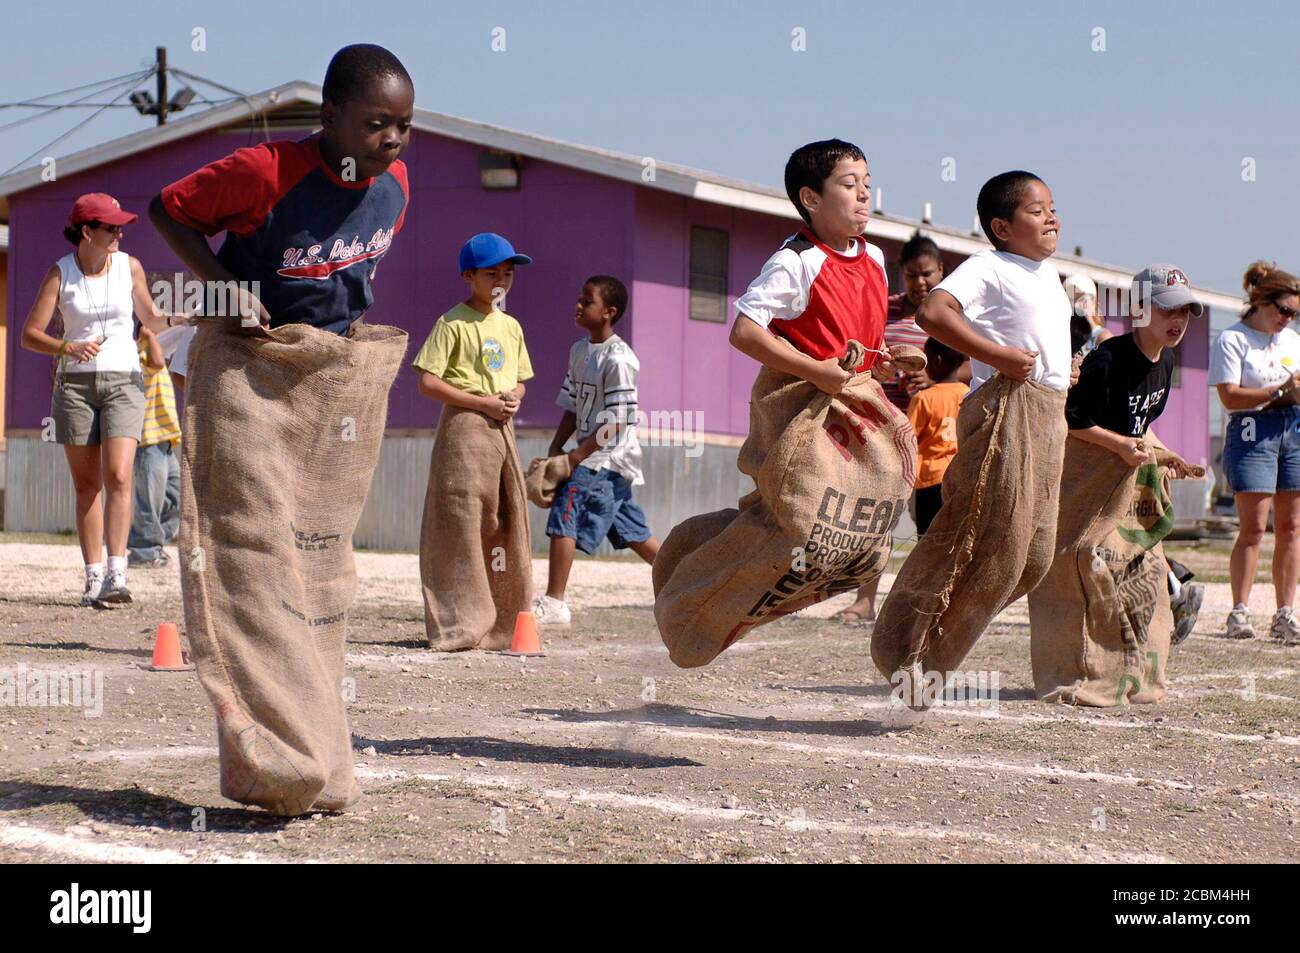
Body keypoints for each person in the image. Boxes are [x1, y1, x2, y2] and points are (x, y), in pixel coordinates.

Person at [150, 43, 414, 815]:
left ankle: (314, 739)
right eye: (373, 124)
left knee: (319, 569)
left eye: (403, 125)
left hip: (325, 385)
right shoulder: (266, 171)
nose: (391, 140)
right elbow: (171, 207)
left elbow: (351, 275)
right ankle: (274, 750)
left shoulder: (396, 184)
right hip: (248, 373)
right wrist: (226, 288)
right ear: (329, 118)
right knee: (256, 556)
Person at [871, 170, 1074, 698]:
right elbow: (933, 313)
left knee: (1032, 560)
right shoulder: (990, 266)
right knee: (993, 544)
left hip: (1051, 413)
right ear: (1002, 227)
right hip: (1009, 411)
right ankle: (908, 652)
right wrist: (998, 357)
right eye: (1037, 210)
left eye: (1053, 207)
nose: (1052, 217)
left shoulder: (1049, 275)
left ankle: (928, 653)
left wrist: (1061, 370)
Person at [20, 193, 177, 605]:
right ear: (87, 232)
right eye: (112, 227)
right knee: (87, 484)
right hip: (75, 386)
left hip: (125, 380)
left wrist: (178, 317)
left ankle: (117, 574)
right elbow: (29, 334)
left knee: (121, 475)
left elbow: (151, 318)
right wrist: (67, 348)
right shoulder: (61, 273)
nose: (120, 233)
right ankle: (92, 577)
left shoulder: (130, 267)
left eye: (121, 226)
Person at [1065, 264, 1206, 645]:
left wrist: (1163, 455)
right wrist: (1120, 445)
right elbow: (1072, 421)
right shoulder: (1109, 361)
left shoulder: (1166, 361)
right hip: (1086, 479)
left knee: (1136, 553)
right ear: (1139, 310)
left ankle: (1158, 612)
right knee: (1091, 561)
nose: (1178, 320)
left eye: (1184, 312)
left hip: (1125, 476)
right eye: (1167, 309)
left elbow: (1140, 425)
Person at [833, 232, 970, 624]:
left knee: (933, 521)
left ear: (941, 271)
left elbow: (973, 362)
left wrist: (939, 384)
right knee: (879, 512)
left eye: (927, 274)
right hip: (882, 428)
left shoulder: (951, 314)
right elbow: (863, 349)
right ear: (902, 275)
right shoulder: (885, 309)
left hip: (933, 439)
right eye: (912, 275)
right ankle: (865, 600)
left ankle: (940, 601)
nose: (920, 283)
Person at [414, 233, 535, 651]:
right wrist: (479, 402)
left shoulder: (511, 326)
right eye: (491, 273)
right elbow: (428, 382)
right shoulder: (451, 323)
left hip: (501, 431)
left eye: (508, 272)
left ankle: (502, 626)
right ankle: (459, 624)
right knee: (459, 524)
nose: (501, 279)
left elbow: (519, 380)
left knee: (505, 522)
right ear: (469, 276)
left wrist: (511, 399)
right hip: (464, 430)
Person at [534, 276, 660, 625]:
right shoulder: (579, 351)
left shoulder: (620, 358)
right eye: (579, 298)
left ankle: (555, 603)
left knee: (565, 510)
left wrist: (578, 456)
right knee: (631, 531)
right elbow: (572, 406)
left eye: (586, 301)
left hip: (608, 456)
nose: (578, 305)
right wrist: (557, 447)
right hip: (590, 452)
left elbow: (619, 419)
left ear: (609, 312)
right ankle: (688, 581)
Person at [1208, 261, 1300, 643]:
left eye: (1295, 313)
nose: (1289, 319)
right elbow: (1230, 396)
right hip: (1252, 432)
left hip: (1293, 430)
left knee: (1292, 528)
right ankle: (1239, 612)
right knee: (1252, 528)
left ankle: (1285, 614)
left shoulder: (1292, 341)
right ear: (1262, 301)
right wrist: (1278, 392)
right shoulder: (1232, 339)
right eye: (1284, 310)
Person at [126, 323, 182, 568]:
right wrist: (149, 334)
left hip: (166, 438)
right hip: (148, 438)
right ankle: (143, 551)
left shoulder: (148, 350)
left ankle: (155, 542)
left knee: (175, 497)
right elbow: (159, 362)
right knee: (149, 498)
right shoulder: (138, 353)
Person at [905, 337, 968, 535]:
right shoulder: (969, 394)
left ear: (936, 361)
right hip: (960, 477)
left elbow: (908, 440)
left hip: (929, 480)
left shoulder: (924, 398)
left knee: (927, 539)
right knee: (953, 538)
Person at [1064, 273, 1112, 357]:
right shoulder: (1066, 336)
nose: (1076, 304)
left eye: (1081, 297)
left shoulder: (1102, 336)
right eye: (1072, 299)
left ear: (1093, 301)